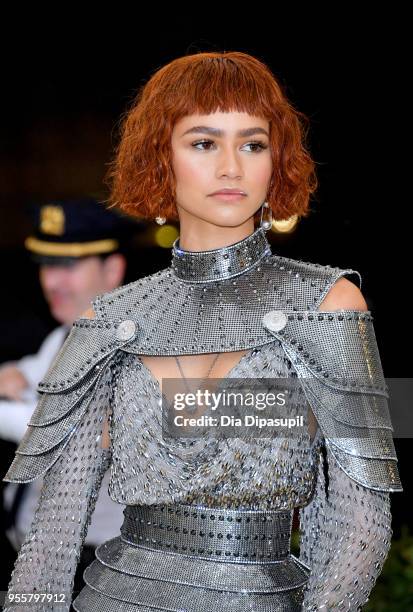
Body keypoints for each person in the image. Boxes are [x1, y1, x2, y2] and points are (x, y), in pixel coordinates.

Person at [2, 52, 402, 611]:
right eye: (204, 143)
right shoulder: (109, 320)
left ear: (276, 158)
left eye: (253, 143)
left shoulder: (327, 303)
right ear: (160, 157)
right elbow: (55, 530)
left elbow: (360, 527)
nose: (233, 167)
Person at [0, 197, 137, 602]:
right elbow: (34, 372)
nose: (51, 282)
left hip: (100, 570)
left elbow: (60, 428)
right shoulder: (65, 336)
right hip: (44, 561)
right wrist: (14, 373)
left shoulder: (128, 343)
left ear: (112, 270)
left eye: (67, 266)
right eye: (46, 265)